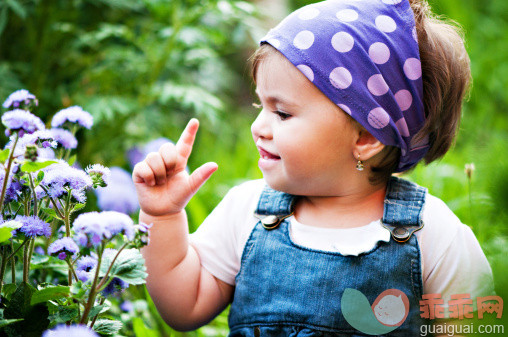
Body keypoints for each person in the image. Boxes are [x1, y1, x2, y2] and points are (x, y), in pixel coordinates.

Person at [133, 0, 495, 335]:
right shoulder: (246, 213)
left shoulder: (433, 233)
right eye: (260, 106)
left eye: (283, 113)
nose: (258, 127)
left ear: (366, 137)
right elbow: (184, 307)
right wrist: (162, 216)